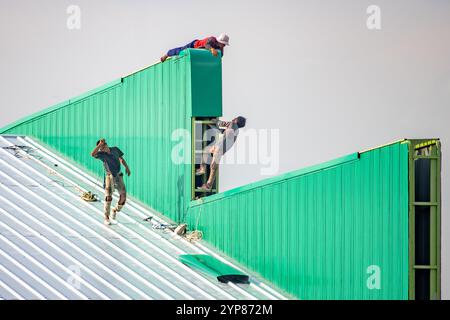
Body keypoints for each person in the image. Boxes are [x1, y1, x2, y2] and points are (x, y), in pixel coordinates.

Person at [196, 116, 246, 191]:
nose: (232, 119)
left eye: (234, 118)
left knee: (213, 166)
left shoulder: (233, 124)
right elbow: (221, 130)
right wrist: (211, 125)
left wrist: (215, 121)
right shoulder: (234, 130)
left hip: (219, 148)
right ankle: (202, 169)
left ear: (236, 120)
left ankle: (208, 185)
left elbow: (221, 123)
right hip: (218, 148)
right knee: (206, 151)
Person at [91, 139, 131, 225]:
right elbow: (92, 154)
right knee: (108, 197)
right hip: (110, 176)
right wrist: (98, 146)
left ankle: (115, 210)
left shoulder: (115, 149)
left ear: (106, 145)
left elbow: (121, 159)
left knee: (123, 197)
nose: (102, 149)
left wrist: (127, 167)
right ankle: (106, 217)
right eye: (100, 148)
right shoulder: (102, 155)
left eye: (102, 146)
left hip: (118, 175)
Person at [161, 33, 230, 62]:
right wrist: (212, 49)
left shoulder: (220, 48)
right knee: (181, 51)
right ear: (220, 42)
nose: (224, 46)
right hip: (194, 45)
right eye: (223, 44)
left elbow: (220, 55)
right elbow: (207, 45)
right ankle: (167, 54)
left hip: (199, 50)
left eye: (224, 45)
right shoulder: (212, 39)